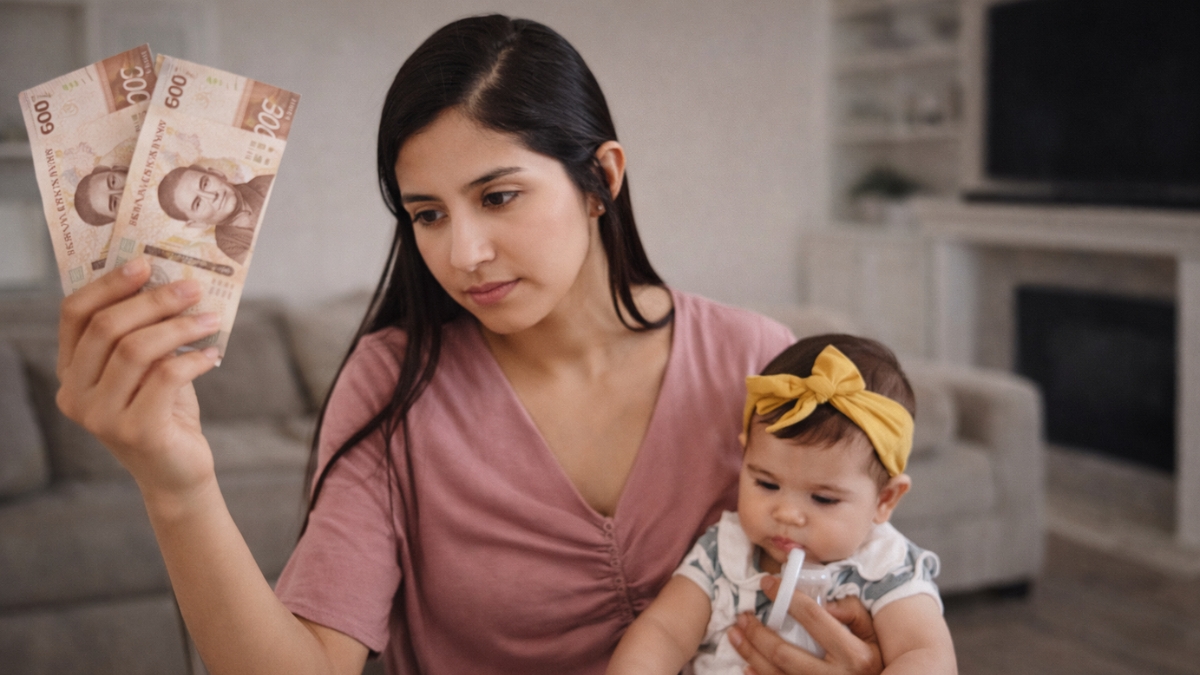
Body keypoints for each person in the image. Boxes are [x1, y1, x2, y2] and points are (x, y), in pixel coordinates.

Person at [53, 15, 888, 675]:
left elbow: (867, 582)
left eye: (498, 196)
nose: (463, 253)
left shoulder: (759, 359)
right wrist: (177, 485)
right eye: (428, 214)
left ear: (602, 178)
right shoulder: (391, 384)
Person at [607, 335, 957, 675]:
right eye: (766, 483)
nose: (786, 514)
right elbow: (664, 632)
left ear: (885, 500)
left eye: (823, 498)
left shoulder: (884, 565)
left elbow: (924, 654)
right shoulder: (725, 552)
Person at [157, 164, 274, 264]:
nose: (212, 196)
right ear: (198, 223)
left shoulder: (265, 184)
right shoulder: (229, 245)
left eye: (205, 184)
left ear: (217, 174)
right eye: (198, 204)